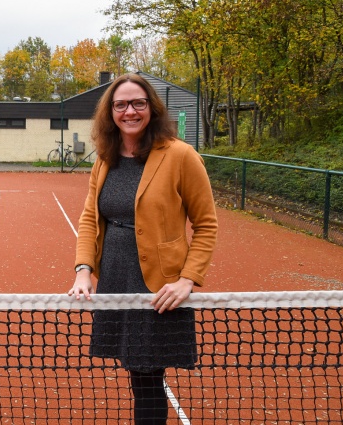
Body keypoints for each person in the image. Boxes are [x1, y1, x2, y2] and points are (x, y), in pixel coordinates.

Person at [67, 73, 217, 424]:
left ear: (151, 107)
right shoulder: (105, 158)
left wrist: (187, 280)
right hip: (117, 276)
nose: (129, 111)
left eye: (138, 103)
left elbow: (206, 224)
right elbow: (90, 218)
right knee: (139, 376)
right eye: (120, 104)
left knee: (148, 377)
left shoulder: (181, 155)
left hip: (159, 285)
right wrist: (84, 270)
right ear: (110, 111)